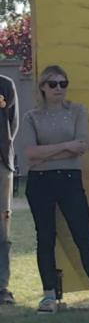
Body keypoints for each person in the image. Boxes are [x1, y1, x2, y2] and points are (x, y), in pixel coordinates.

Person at [23, 65, 89, 313]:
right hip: (40, 182)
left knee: (83, 235)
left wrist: (47, 152)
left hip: (69, 180)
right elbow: (30, 154)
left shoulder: (77, 111)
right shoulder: (32, 117)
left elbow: (82, 146)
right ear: (43, 87)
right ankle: (48, 296)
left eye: (63, 84)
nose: (59, 89)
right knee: (45, 238)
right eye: (53, 84)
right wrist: (66, 146)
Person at [0, 72, 18, 305]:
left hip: (1, 164)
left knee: (2, 226)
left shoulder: (5, 85)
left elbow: (11, 125)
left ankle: (1, 286)